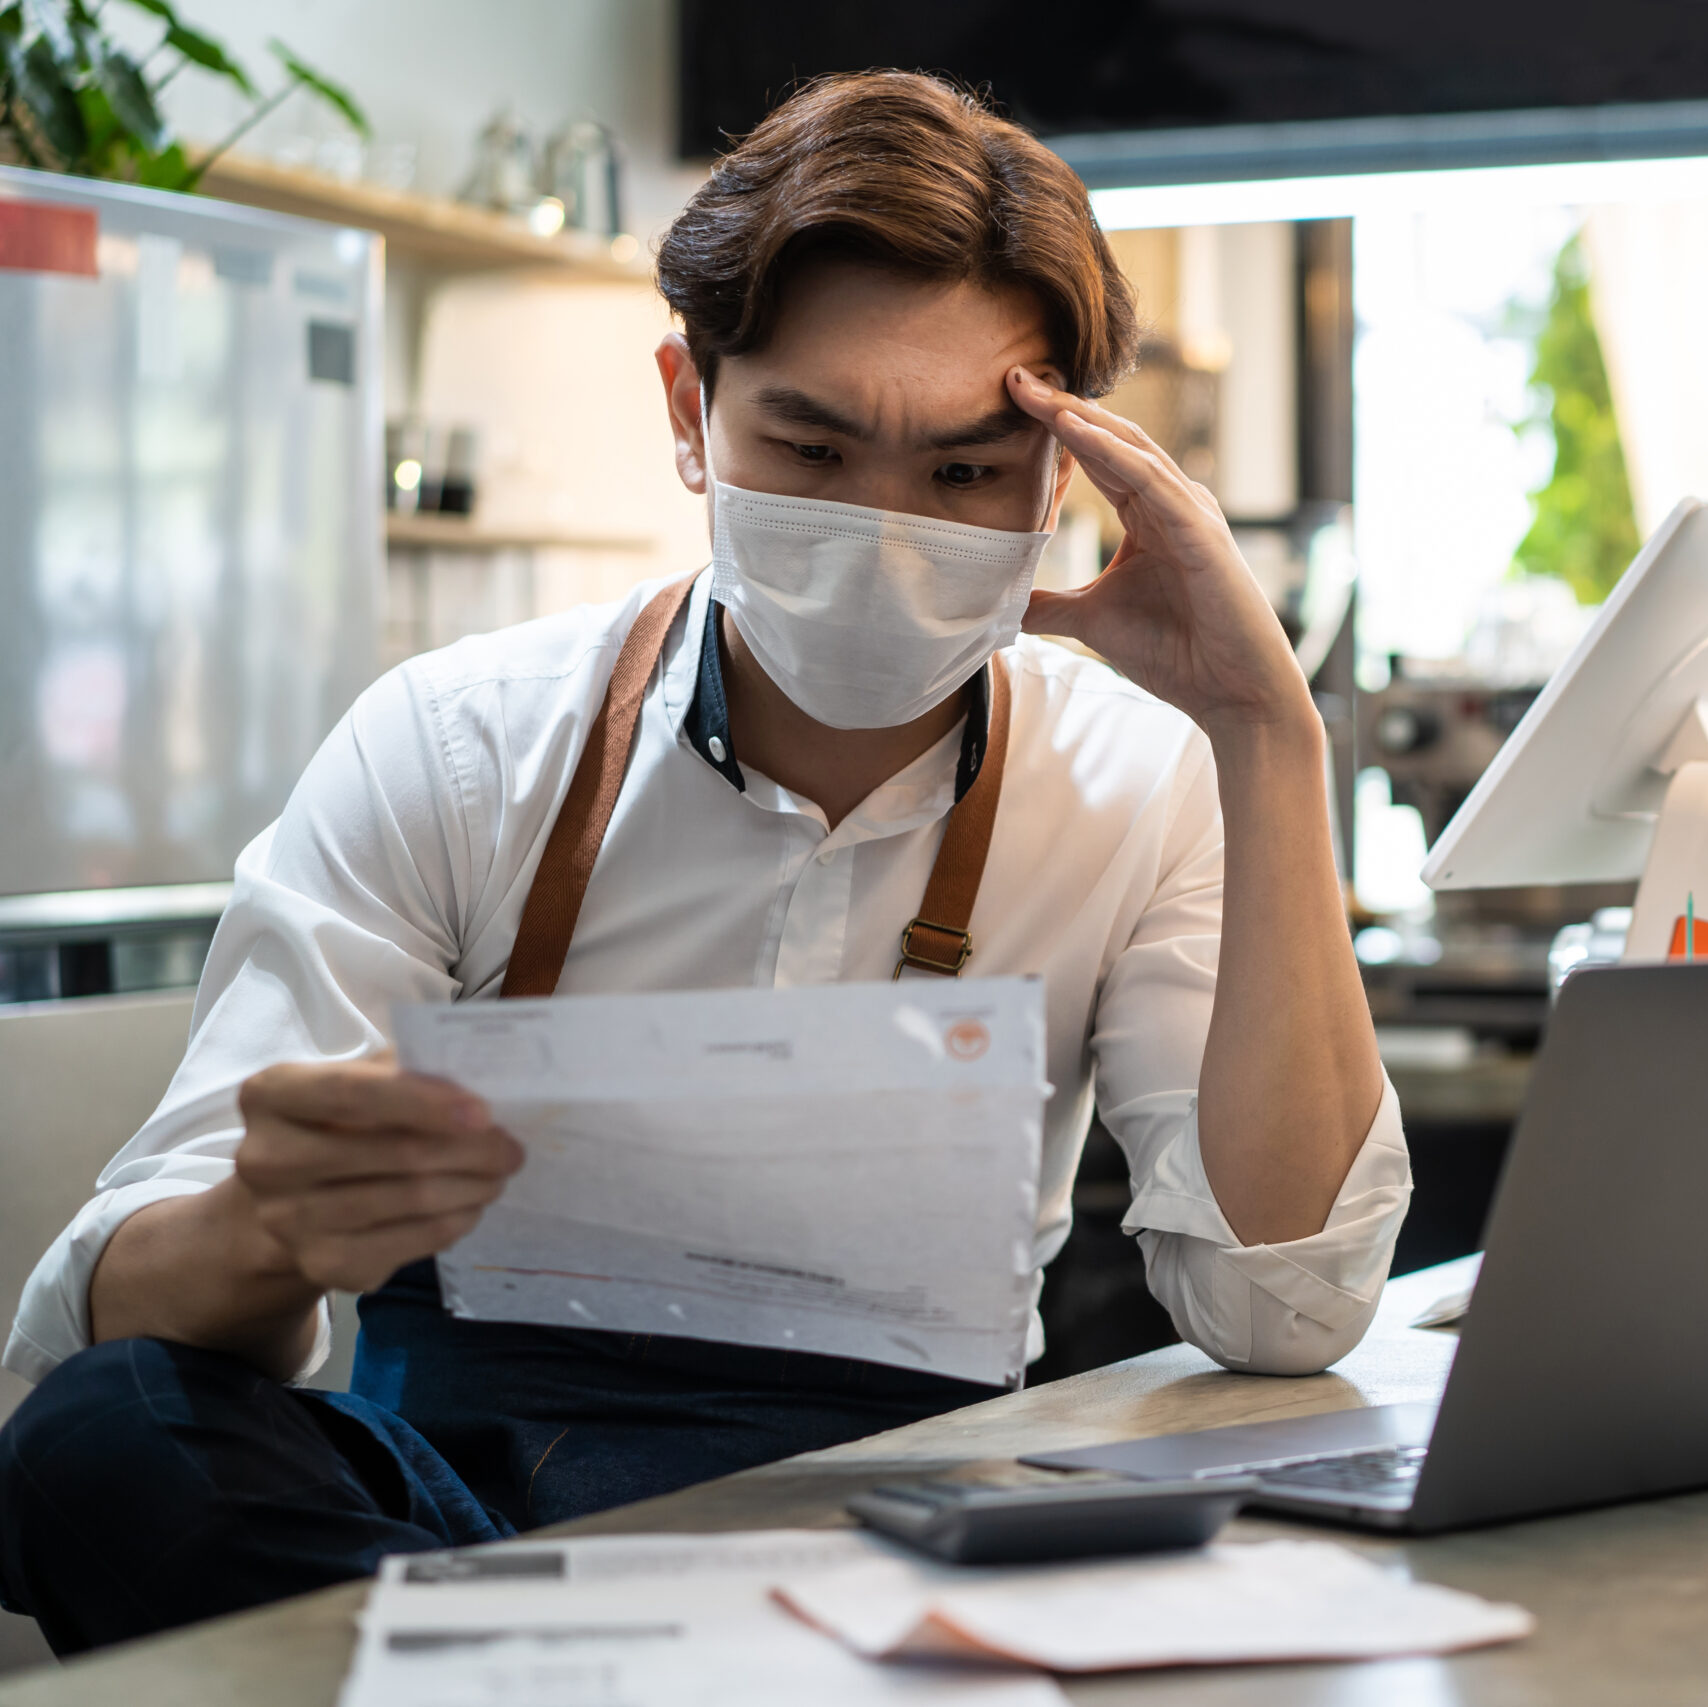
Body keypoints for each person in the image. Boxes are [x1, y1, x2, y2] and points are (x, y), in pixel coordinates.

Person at [0, 72, 1408, 1656]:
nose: (883, 531)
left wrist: (1266, 736)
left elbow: (1281, 1312)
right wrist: (271, 1226)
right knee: (105, 1435)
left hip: (900, 1523)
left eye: (962, 474)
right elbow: (84, 1334)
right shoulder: (454, 744)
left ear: (1060, 477)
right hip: (461, 1505)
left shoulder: (1141, 776)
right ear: (690, 408)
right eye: (808, 448)